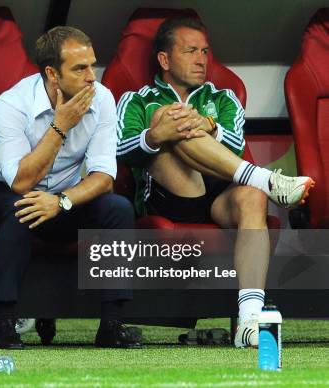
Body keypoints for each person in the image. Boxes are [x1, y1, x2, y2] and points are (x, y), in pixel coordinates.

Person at [115, 17, 314, 348]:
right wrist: (157, 135)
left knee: (252, 197)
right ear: (164, 60)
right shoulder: (136, 99)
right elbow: (120, 149)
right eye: (191, 51)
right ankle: (267, 179)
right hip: (170, 195)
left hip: (220, 195)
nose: (201, 60)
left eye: (205, 51)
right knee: (167, 118)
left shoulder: (224, 97)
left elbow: (236, 145)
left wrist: (208, 125)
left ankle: (249, 321)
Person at [0, 26, 140, 350]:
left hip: (63, 197)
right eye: (80, 68)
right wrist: (60, 125)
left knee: (118, 208)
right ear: (52, 73)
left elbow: (104, 176)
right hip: (2, 193)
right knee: (21, 208)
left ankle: (112, 325)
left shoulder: (103, 98)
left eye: (92, 65)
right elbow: (21, 182)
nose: (92, 76)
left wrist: (61, 202)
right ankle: (4, 323)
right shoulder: (12, 103)